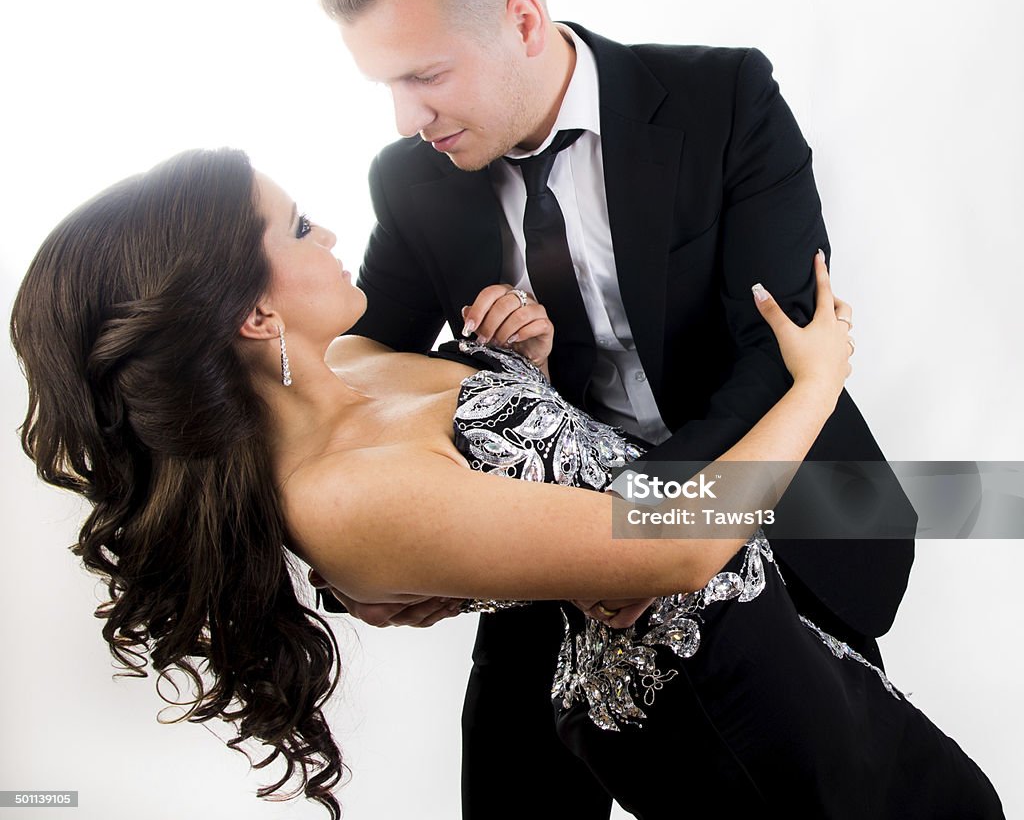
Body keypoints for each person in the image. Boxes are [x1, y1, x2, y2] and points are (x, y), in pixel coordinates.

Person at [10, 149, 1003, 818]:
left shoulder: (349, 362)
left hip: (760, 625)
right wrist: (815, 378)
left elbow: (519, 468)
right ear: (252, 319)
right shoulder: (340, 494)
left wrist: (521, 359)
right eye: (299, 228)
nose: (328, 236)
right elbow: (680, 542)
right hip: (713, 699)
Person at [315, 0, 920, 818]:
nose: (405, 118)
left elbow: (783, 353)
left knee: (822, 798)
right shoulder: (412, 181)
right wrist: (363, 559)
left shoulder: (725, 96)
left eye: (424, 75)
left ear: (523, 20)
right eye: (385, 84)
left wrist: (630, 536)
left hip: (768, 513)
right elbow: (345, 382)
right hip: (552, 549)